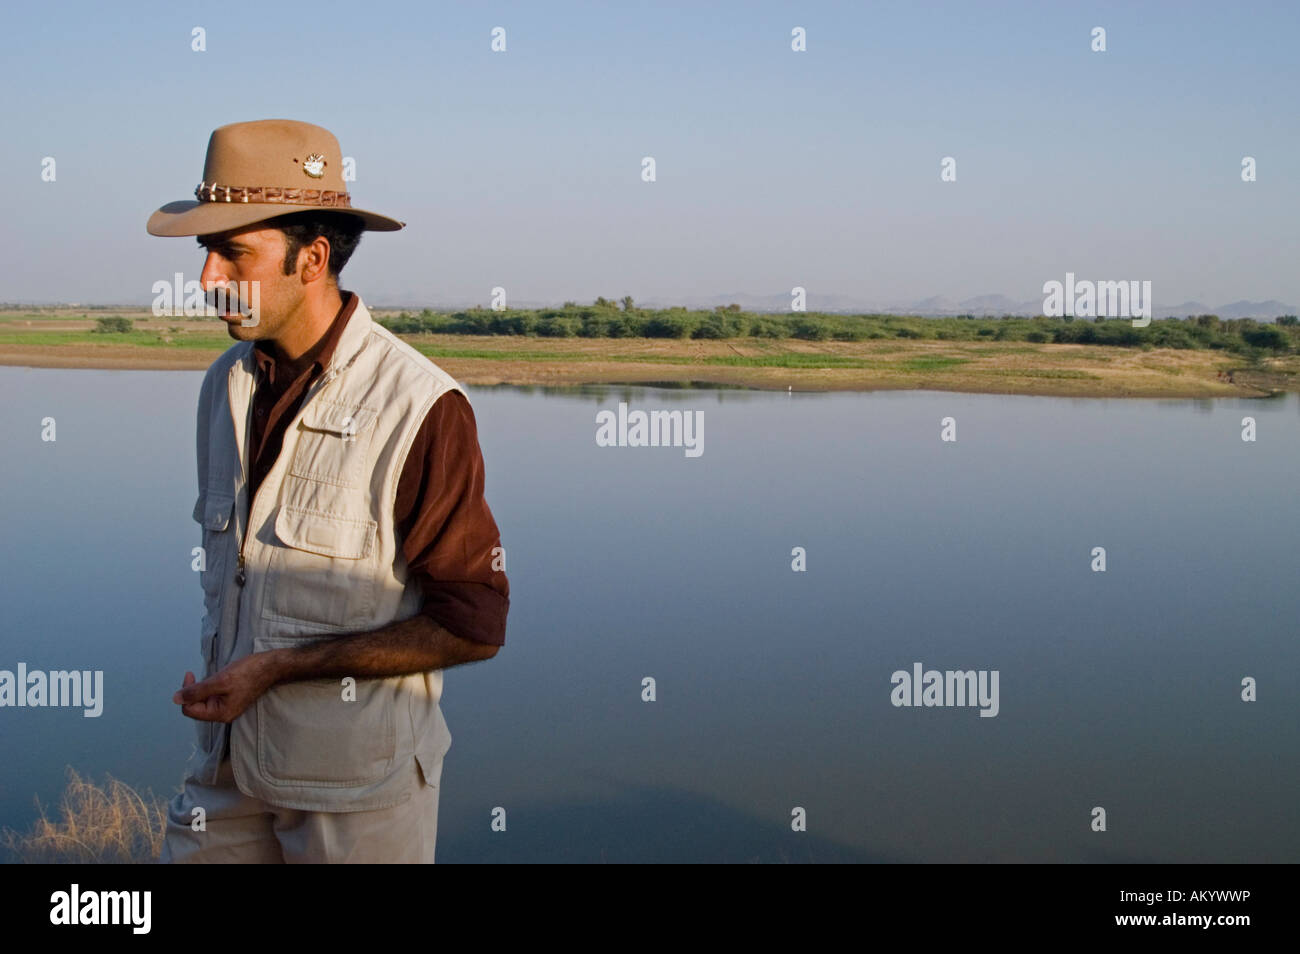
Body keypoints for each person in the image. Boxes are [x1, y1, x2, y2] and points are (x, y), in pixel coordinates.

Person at [148, 119, 509, 863]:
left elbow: (473, 624)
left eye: (233, 252)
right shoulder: (225, 386)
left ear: (312, 258)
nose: (208, 279)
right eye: (205, 252)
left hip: (356, 793)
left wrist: (278, 668)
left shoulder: (420, 408)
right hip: (225, 766)